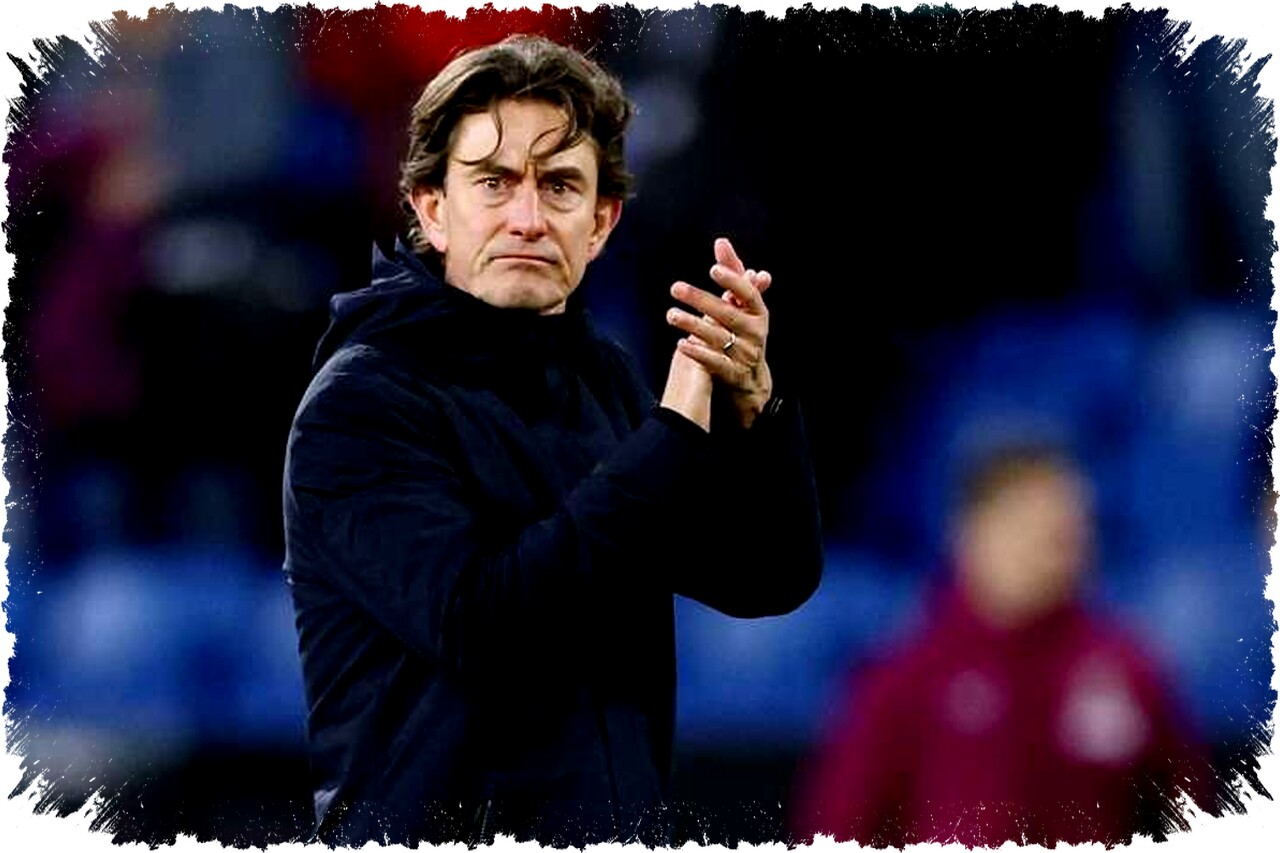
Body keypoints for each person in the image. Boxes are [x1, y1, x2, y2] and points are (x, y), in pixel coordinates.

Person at [281, 35, 823, 847]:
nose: (528, 219)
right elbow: (487, 626)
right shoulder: (361, 405)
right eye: (493, 182)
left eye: (560, 186)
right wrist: (673, 432)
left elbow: (765, 575)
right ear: (431, 208)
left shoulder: (604, 379)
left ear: (601, 222)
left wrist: (759, 409)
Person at [791, 442, 1213, 848]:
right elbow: (834, 831)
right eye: (1030, 526)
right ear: (972, 534)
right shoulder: (903, 678)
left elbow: (1195, 818)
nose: (1054, 546)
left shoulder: (1128, 669)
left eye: (1068, 530)